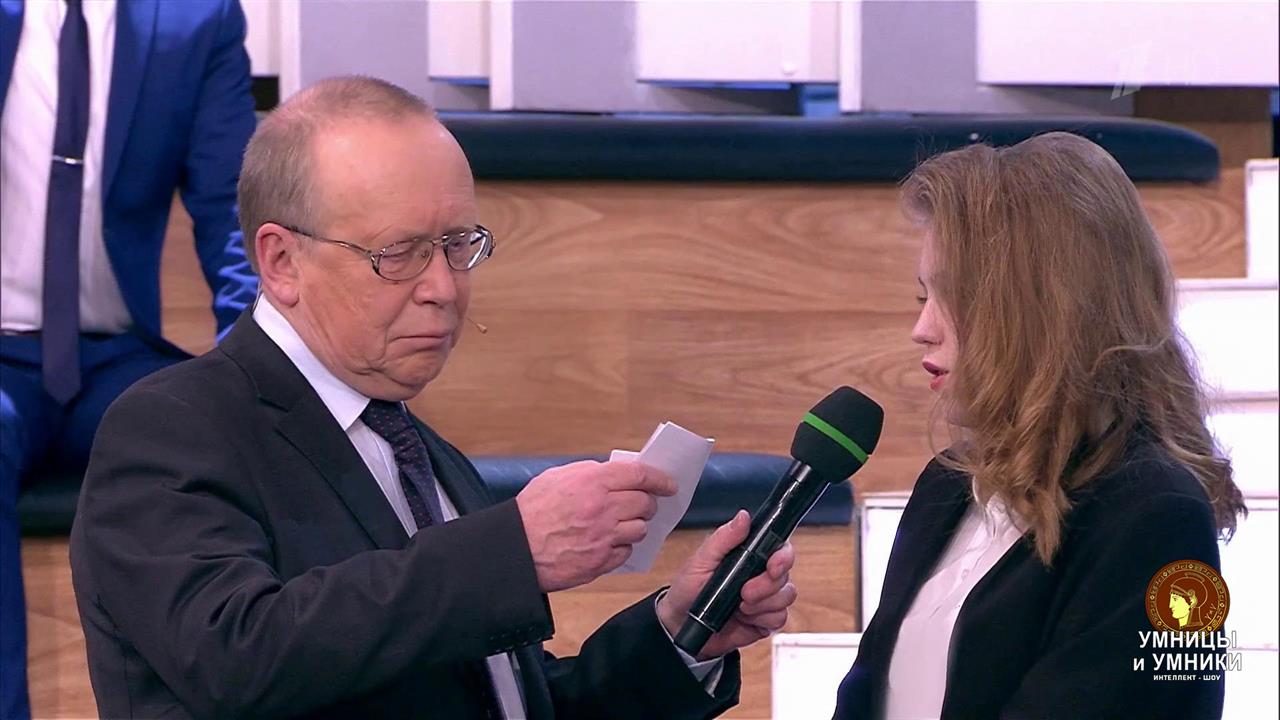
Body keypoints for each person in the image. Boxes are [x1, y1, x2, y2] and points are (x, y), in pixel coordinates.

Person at [68, 75, 798, 719]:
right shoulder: (173, 427)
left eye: (457, 246)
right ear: (281, 261)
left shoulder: (419, 452)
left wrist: (680, 633)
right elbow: (235, 658)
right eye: (400, 254)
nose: (444, 288)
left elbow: (506, 702)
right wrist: (513, 551)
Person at [833, 132, 1246, 719]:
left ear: (1040, 307)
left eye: (952, 297)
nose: (921, 330)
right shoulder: (946, 485)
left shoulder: (1160, 515)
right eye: (923, 297)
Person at [0, 1, 257, 716]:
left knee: (204, 436)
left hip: (114, 357)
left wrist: (254, 369)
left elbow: (235, 211)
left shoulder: (196, 18)